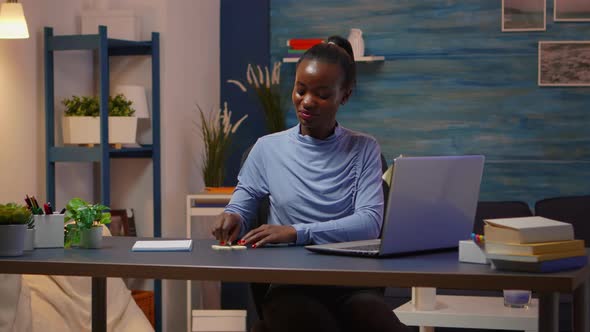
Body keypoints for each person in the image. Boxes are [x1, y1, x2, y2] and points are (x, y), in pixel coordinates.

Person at [212, 36, 408, 332]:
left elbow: (369, 223)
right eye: (300, 90)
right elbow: (245, 197)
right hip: (291, 283)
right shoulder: (266, 148)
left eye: (321, 94)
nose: (306, 101)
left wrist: (295, 232)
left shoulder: (365, 149)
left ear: (345, 95)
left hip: (352, 283)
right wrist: (233, 214)